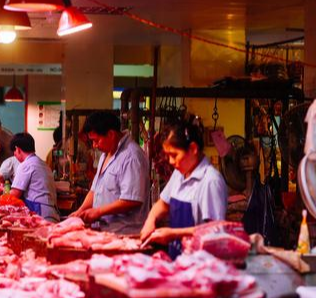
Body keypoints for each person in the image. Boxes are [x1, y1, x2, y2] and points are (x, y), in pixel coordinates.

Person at [140, 119, 227, 259]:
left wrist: (174, 234)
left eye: (174, 155)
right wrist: (150, 220)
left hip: (200, 264)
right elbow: (163, 203)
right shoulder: (179, 173)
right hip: (178, 258)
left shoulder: (211, 181)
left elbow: (214, 230)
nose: (170, 161)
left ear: (193, 149)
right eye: (168, 155)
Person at [70, 111, 149, 235]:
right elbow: (94, 190)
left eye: (96, 141)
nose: (94, 146)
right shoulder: (105, 155)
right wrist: (79, 212)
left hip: (125, 234)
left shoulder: (132, 156)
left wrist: (98, 211)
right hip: (104, 232)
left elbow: (132, 200)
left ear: (111, 134)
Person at [9, 132, 60, 223]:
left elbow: (14, 194)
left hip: (40, 214)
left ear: (17, 149)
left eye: (14, 151)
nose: (14, 155)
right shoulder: (43, 164)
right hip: (51, 213)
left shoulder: (26, 165)